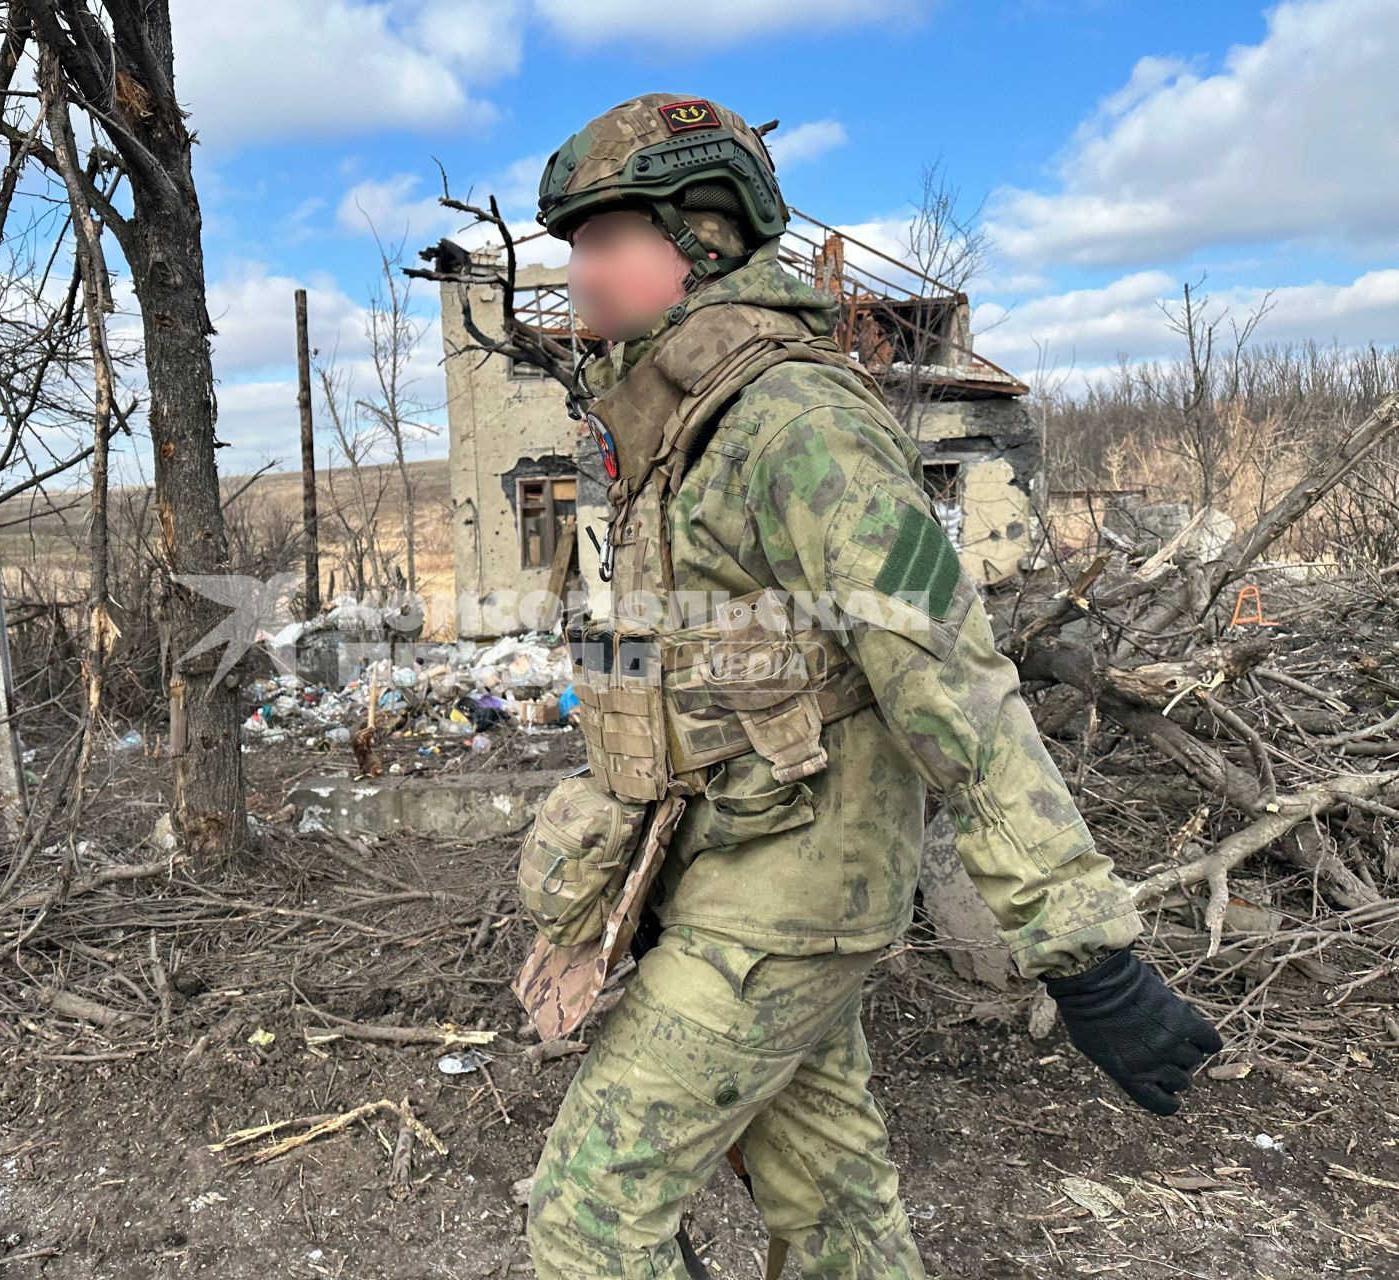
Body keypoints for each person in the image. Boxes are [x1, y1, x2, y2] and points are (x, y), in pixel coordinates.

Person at [519, 93, 1224, 1280]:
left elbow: (945, 672)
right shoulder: (682, 421)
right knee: (836, 1207)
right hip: (734, 870)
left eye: (600, 239)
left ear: (698, 241)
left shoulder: (797, 420)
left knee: (588, 1220)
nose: (577, 272)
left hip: (786, 900)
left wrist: (1082, 945)